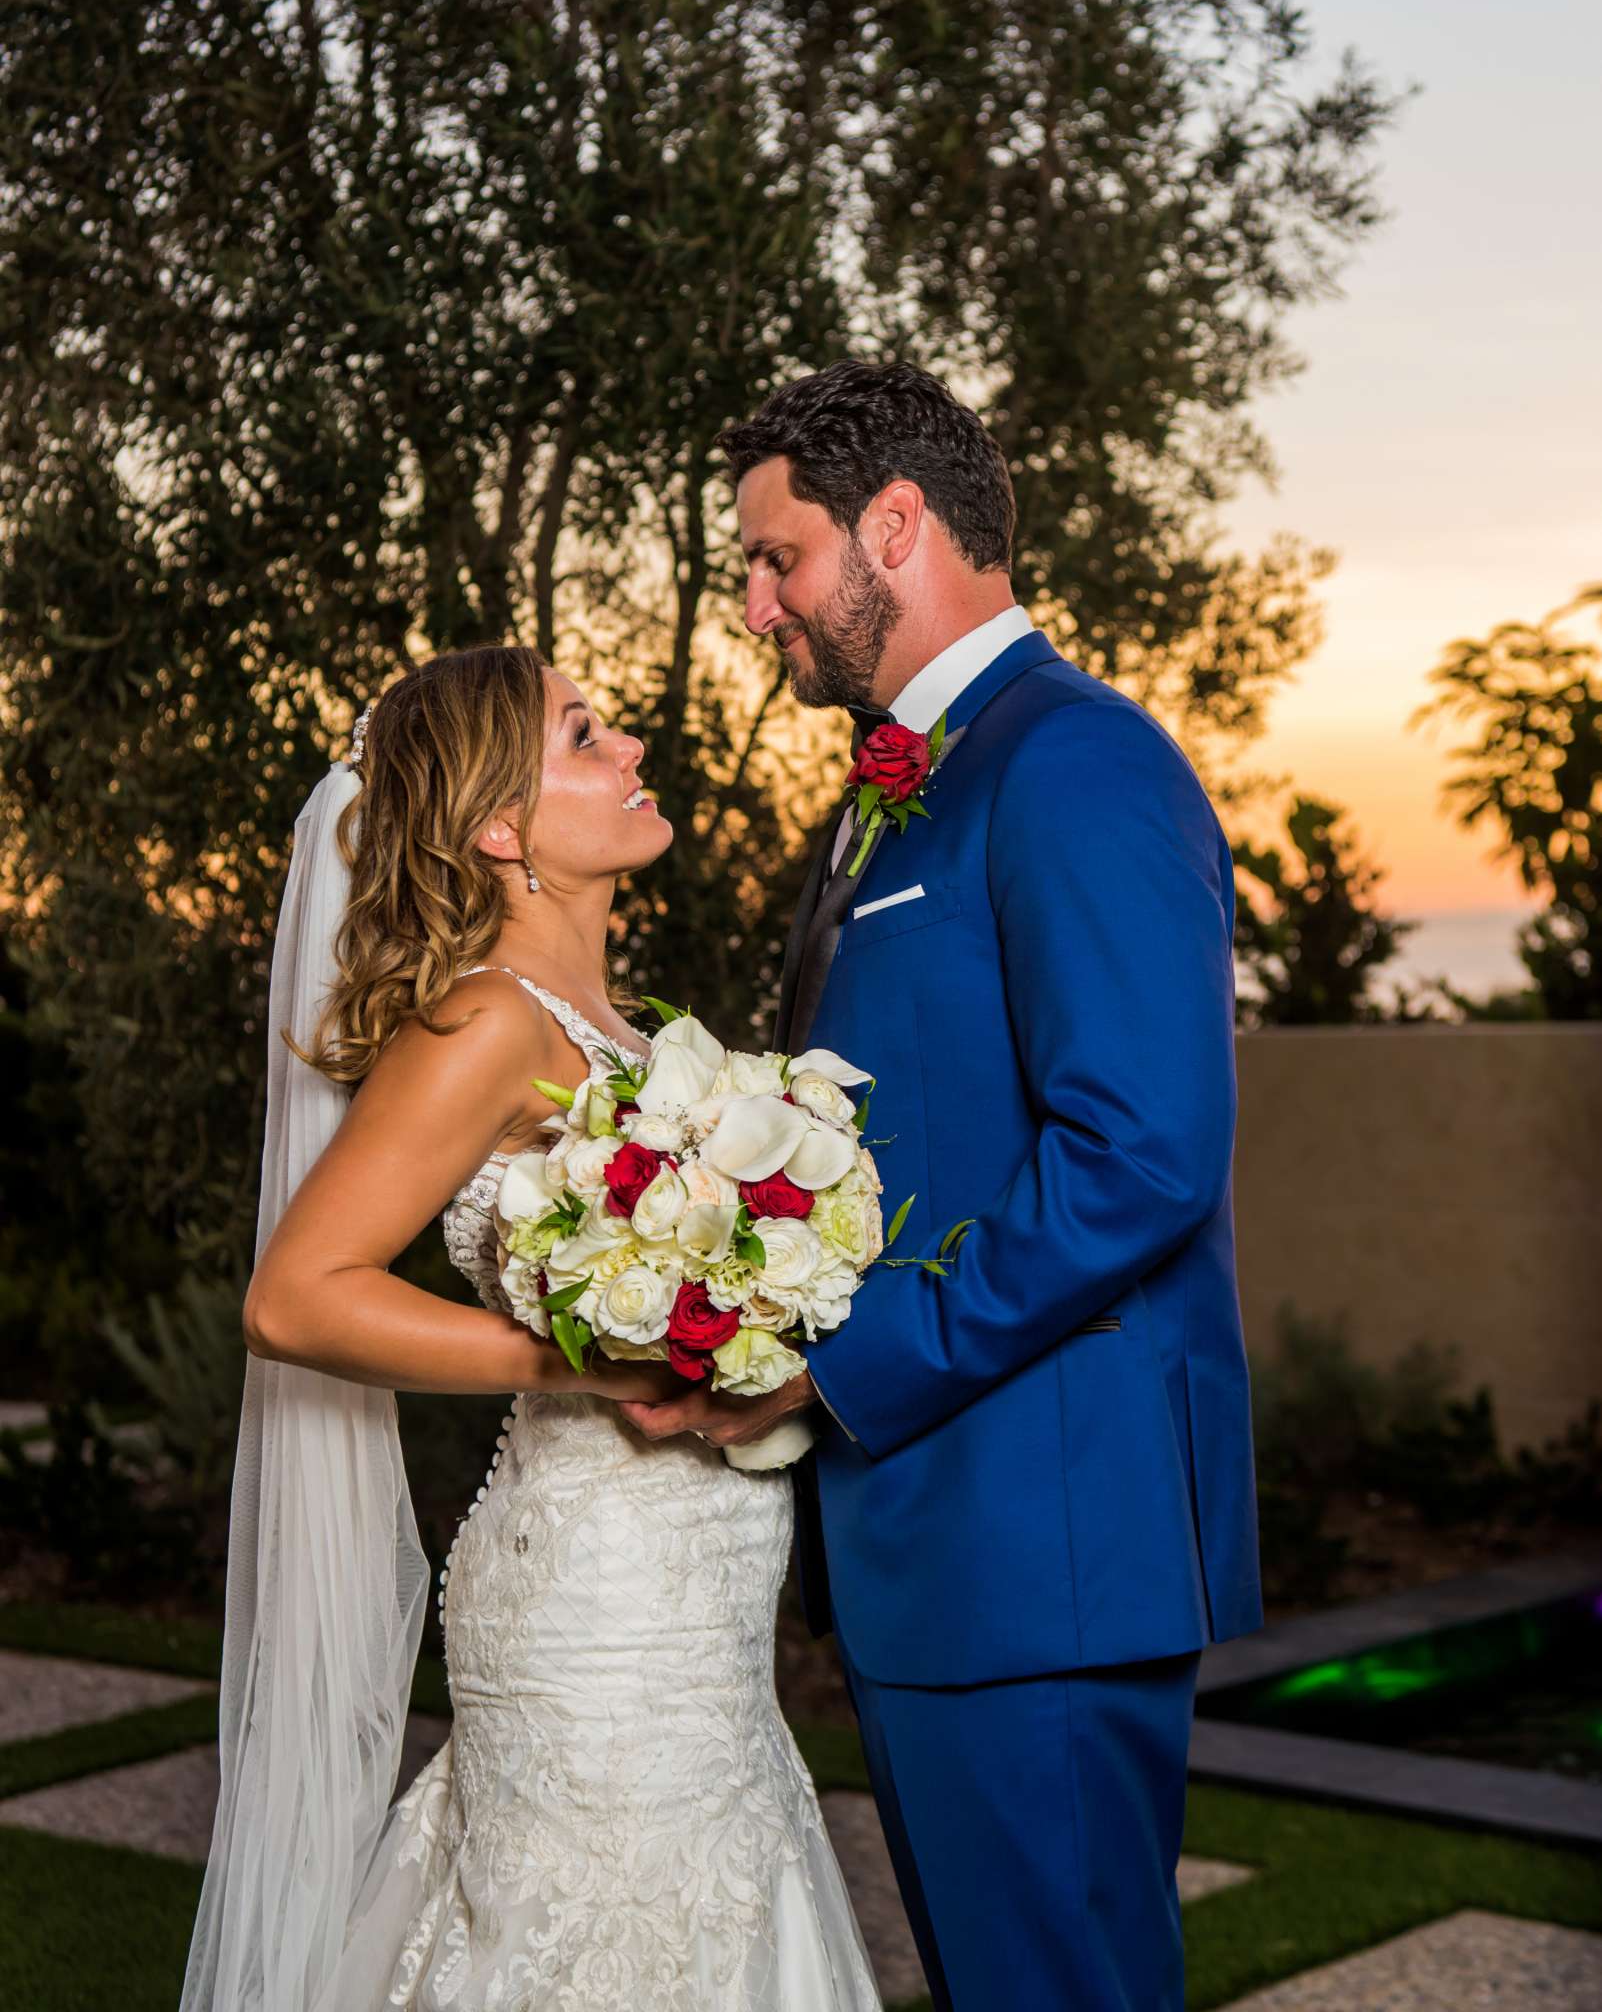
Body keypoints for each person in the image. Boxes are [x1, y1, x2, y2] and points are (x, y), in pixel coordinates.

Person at [622, 361, 1262, 2012]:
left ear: (892, 526)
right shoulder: (908, 776)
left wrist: (847, 1362)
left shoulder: (1071, 763)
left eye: (777, 559)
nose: (757, 607)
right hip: (950, 1541)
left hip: (1035, 1535)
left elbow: (1140, 1157)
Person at [183, 642, 879, 2012]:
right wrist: (572, 1359)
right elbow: (295, 1294)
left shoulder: (627, 1031)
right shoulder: (487, 1019)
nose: (629, 751)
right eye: (584, 737)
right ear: (501, 829)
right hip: (596, 1596)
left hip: (705, 1593)